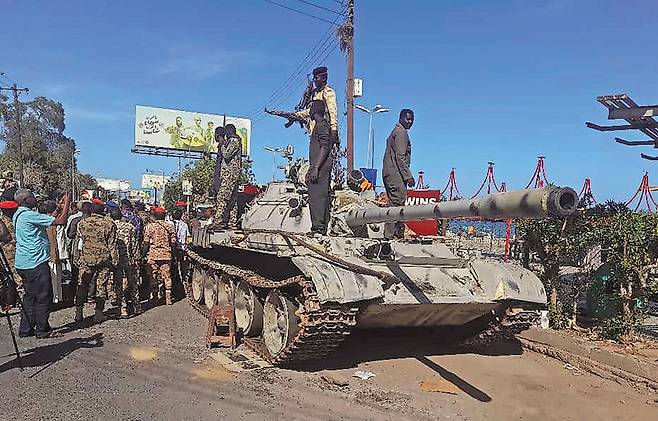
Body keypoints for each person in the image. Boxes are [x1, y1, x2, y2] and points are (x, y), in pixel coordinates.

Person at [12, 188, 70, 339]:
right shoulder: (30, 215)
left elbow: (48, 218)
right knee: (44, 296)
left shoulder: (18, 215)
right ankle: (42, 330)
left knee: (30, 296)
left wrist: (59, 207)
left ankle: (26, 329)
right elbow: (60, 221)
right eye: (32, 197)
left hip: (23, 262)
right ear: (26, 201)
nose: (35, 199)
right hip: (35, 261)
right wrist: (67, 205)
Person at [75, 201, 118, 323]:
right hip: (103, 260)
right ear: (103, 210)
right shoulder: (109, 224)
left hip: (86, 258)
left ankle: (79, 312)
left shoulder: (82, 223)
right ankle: (98, 313)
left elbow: (81, 240)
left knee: (83, 285)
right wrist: (115, 261)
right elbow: (112, 245)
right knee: (101, 286)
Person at [382, 109, 416, 239]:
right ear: (401, 118)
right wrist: (408, 176)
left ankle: (395, 235)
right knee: (397, 204)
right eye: (407, 119)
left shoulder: (396, 131)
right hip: (395, 173)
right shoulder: (401, 133)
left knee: (395, 203)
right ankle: (390, 237)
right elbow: (400, 157)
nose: (410, 122)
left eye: (412, 119)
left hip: (390, 172)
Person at [306, 100, 333, 236]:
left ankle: (318, 228)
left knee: (318, 197)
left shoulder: (322, 125)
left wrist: (316, 168)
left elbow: (325, 147)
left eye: (311, 109)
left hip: (321, 167)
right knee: (315, 196)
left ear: (314, 111)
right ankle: (317, 227)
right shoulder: (319, 125)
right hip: (317, 165)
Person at [294, 66, 338, 143]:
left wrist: (334, 130)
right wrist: (296, 115)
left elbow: (332, 111)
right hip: (314, 132)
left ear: (323, 78)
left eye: (316, 78)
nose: (314, 80)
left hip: (324, 132)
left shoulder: (328, 92)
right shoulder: (316, 94)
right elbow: (311, 111)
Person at [110, 208, 140, 317]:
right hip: (129, 260)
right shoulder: (129, 227)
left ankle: (123, 308)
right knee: (133, 283)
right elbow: (134, 244)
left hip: (116, 261)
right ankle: (137, 306)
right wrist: (137, 258)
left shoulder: (110, 227)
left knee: (118, 284)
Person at [212, 124, 242, 230]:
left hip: (231, 173)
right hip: (230, 174)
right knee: (232, 199)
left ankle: (218, 221)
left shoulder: (234, 141)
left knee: (222, 196)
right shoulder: (231, 141)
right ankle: (232, 221)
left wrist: (222, 145)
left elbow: (227, 155)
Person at [142, 207, 175, 305]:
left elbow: (146, 243)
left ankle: (155, 297)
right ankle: (168, 298)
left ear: (155, 216)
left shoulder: (150, 227)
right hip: (166, 255)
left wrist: (142, 255)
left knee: (153, 276)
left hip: (153, 255)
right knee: (167, 276)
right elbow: (173, 243)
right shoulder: (170, 227)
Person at [0, 200, 19, 294]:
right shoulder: (3, 221)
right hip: (9, 253)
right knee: (15, 276)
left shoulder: (12, 220)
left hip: (14, 252)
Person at [171, 208, 189, 294]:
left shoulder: (168, 224)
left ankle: (174, 287)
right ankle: (182, 286)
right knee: (182, 268)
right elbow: (187, 238)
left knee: (172, 269)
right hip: (181, 249)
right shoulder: (184, 225)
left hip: (172, 249)